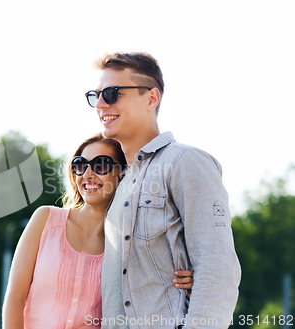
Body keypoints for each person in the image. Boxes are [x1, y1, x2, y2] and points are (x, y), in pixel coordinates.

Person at [85, 52, 241, 328]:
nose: (100, 104)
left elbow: (217, 268)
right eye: (94, 95)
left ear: (151, 98)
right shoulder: (119, 182)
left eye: (111, 93)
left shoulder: (185, 161)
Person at [2, 133, 194, 329]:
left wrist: (189, 283)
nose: (87, 174)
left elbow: (157, 285)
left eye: (100, 164)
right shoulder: (45, 220)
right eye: (80, 165)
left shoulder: (130, 244)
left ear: (124, 174)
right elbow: (15, 298)